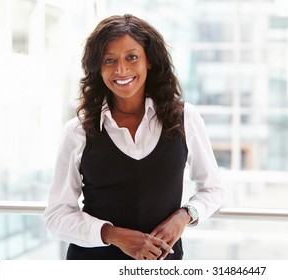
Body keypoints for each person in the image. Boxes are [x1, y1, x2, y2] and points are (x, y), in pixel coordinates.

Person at [43, 14, 223, 260]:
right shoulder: (78, 131)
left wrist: (184, 216)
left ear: (149, 60)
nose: (121, 70)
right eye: (109, 60)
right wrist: (112, 234)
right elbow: (57, 216)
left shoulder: (184, 119)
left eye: (132, 57)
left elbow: (212, 189)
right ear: (98, 67)